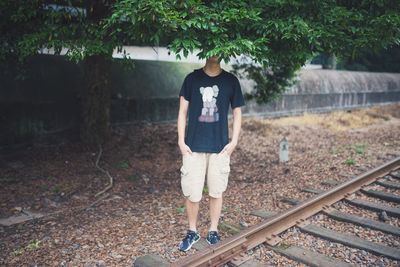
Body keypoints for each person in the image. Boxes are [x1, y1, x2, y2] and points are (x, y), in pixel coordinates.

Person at [177, 55, 245, 252]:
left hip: (220, 147)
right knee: (192, 193)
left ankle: (213, 231)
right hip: (192, 147)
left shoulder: (231, 81)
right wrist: (181, 141)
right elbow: (182, 112)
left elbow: (237, 112)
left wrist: (234, 141)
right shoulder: (192, 79)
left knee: (216, 191)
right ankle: (192, 231)